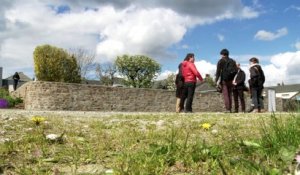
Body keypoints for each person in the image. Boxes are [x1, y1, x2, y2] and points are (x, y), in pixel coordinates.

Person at [215, 49, 238, 113]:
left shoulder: (220, 61)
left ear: (222, 54)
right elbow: (236, 71)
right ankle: (230, 108)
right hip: (230, 80)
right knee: (230, 94)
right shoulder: (232, 61)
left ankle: (228, 109)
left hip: (224, 80)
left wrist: (216, 80)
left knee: (225, 94)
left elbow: (218, 72)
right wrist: (233, 78)